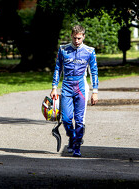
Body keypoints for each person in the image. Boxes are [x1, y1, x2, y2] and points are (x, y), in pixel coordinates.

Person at [50, 25, 98, 157]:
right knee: (65, 118)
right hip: (66, 85)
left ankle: (77, 146)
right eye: (75, 38)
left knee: (79, 118)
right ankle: (72, 136)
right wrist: (54, 87)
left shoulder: (89, 51)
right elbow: (57, 69)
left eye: (79, 38)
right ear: (71, 35)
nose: (77, 41)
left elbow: (94, 72)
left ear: (83, 36)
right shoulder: (63, 49)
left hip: (81, 86)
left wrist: (95, 91)